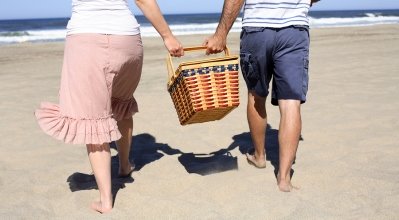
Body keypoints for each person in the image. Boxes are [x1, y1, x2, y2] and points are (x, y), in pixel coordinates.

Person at [35, 0, 184, 213]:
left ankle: (105, 201)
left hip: (87, 39)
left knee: (92, 120)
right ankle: (124, 165)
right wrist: (168, 37)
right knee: (121, 104)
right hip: (128, 41)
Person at [204, 0, 319, 192]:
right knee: (291, 103)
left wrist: (220, 34)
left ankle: (259, 156)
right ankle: (284, 178)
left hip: (257, 29)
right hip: (294, 30)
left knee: (256, 96)